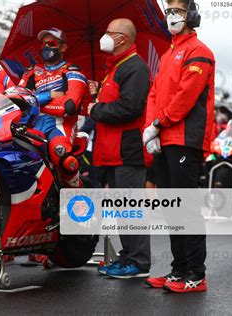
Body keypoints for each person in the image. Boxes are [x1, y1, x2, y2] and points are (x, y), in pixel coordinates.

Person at [143, 0, 214, 293]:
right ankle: (178, 271)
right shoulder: (168, 53)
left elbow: (186, 95)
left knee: (186, 209)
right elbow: (154, 94)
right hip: (165, 140)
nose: (171, 15)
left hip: (186, 140)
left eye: (178, 10)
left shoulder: (200, 52)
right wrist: (152, 132)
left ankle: (196, 275)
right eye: (169, 10)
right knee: (172, 210)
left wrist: (158, 123)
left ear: (192, 15)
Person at [87, 19, 151, 278]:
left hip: (128, 151)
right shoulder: (114, 68)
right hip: (111, 151)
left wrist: (96, 109)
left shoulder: (135, 67)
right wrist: (98, 93)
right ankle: (128, 256)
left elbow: (130, 107)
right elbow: (115, 100)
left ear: (122, 39)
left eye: (109, 33)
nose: (104, 37)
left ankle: (139, 262)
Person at [19, 27, 87, 188]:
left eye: (51, 43)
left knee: (62, 155)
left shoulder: (72, 71)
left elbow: (69, 106)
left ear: (63, 47)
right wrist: (52, 95)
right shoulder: (31, 72)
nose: (46, 47)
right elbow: (20, 99)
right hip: (32, 124)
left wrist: (37, 101)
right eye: (43, 44)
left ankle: (77, 199)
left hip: (60, 125)